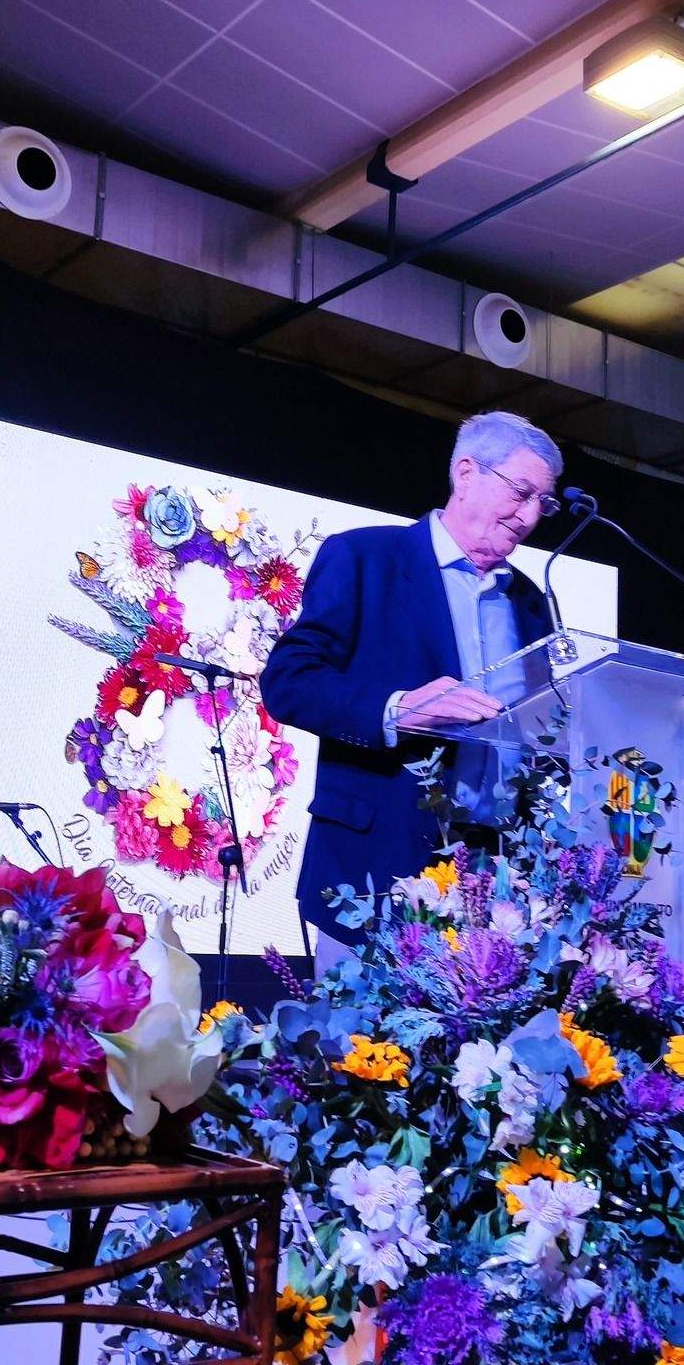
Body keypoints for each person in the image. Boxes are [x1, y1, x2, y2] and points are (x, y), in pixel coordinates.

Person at [260, 411, 562, 969]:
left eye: (544, 502)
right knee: (365, 1057)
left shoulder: (531, 601)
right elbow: (288, 681)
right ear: (466, 473)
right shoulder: (365, 559)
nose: (529, 517)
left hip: (497, 881)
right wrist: (397, 710)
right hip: (377, 863)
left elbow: (542, 724)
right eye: (521, 493)